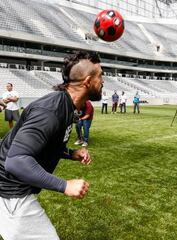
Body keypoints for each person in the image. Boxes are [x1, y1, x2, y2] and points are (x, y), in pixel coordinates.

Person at [0, 51, 104, 239]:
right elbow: (15, 161)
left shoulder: (67, 106)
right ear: (88, 81)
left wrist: (71, 153)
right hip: (8, 190)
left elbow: (46, 143)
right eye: (100, 75)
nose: (103, 81)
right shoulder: (51, 111)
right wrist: (65, 185)